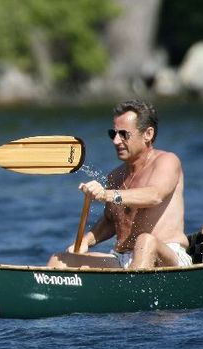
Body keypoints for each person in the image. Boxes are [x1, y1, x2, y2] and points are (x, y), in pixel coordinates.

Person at [47, 99, 192, 269]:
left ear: (148, 134)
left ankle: (131, 292)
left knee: (146, 241)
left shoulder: (167, 161)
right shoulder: (116, 176)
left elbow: (155, 196)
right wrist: (86, 242)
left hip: (169, 260)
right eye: (112, 134)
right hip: (123, 259)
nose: (116, 141)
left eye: (124, 134)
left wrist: (107, 195)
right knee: (60, 259)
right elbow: (110, 221)